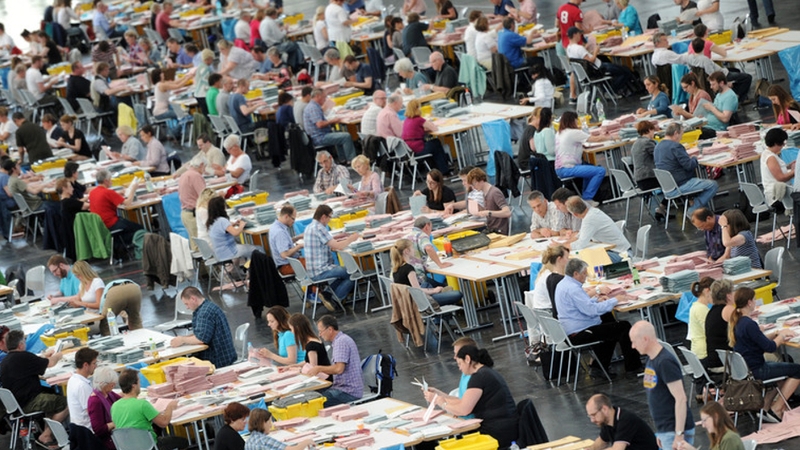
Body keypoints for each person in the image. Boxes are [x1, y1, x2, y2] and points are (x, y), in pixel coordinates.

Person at [555, 258, 641, 375]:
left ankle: (599, 365)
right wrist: (615, 300)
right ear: (575, 274)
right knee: (623, 327)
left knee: (608, 320)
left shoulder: (564, 284)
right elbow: (591, 311)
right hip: (579, 332)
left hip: (571, 328)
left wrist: (596, 299)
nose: (586, 276)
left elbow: (581, 306)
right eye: (584, 273)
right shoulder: (573, 289)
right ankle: (633, 367)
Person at [423, 346, 519, 448]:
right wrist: (438, 396)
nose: (459, 368)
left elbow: (464, 409)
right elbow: (464, 402)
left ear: (467, 359)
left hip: (496, 431)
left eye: (460, 363)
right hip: (506, 426)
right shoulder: (486, 372)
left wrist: (440, 402)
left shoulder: (478, 377)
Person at [729, 286, 800, 421]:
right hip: (757, 369)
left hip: (748, 368)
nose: (755, 302)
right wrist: (783, 335)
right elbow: (770, 347)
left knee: (782, 369)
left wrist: (774, 333)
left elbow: (759, 342)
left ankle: (765, 407)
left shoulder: (739, 322)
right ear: (749, 302)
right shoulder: (749, 324)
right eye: (754, 300)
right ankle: (777, 408)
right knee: (797, 370)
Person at [630, 321, 695, 450]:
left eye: (634, 341)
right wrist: (660, 431)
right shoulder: (651, 359)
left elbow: (681, 398)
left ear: (645, 339)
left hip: (674, 430)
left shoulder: (665, 362)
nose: (633, 346)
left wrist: (679, 434)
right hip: (666, 430)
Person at [0, 330, 67, 446]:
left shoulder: (6, 360)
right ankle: (46, 435)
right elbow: (50, 363)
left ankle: (50, 436)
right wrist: (58, 355)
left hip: (16, 403)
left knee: (50, 398)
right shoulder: (24, 357)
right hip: (29, 403)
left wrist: (44, 356)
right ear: (20, 345)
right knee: (66, 402)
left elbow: (33, 362)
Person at [112, 368, 188, 450]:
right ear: (134, 386)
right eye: (139, 382)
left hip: (128, 447)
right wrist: (170, 407)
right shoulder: (142, 404)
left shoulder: (114, 406)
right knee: (183, 442)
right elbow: (164, 422)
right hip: (149, 446)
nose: (140, 385)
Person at [654, 122, 718, 214]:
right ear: (676, 133)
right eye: (681, 134)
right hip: (681, 184)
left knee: (701, 183)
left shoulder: (658, 146)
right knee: (712, 185)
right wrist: (695, 158)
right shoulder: (675, 146)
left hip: (667, 186)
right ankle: (693, 209)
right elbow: (689, 166)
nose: (681, 138)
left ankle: (703, 213)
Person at [170, 287, 237, 368]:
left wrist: (182, 340)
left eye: (186, 304)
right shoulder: (208, 306)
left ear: (193, 299)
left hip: (217, 359)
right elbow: (201, 333)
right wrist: (183, 338)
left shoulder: (204, 313)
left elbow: (201, 339)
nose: (187, 307)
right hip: (225, 354)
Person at [305, 205, 359, 303]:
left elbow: (328, 240)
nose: (330, 220)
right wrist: (351, 238)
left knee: (344, 274)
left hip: (313, 270)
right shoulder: (319, 228)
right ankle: (334, 299)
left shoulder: (310, 227)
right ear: (323, 217)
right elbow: (338, 246)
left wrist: (340, 237)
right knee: (352, 272)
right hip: (321, 270)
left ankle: (327, 294)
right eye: (329, 217)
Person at [554, 111, 611, 201]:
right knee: (600, 171)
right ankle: (587, 198)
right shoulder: (573, 132)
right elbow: (596, 139)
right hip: (568, 168)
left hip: (560, 168)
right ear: (573, 121)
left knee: (589, 170)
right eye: (577, 120)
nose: (578, 122)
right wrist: (611, 137)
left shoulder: (559, 133)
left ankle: (586, 196)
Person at [307, 315, 364, 405]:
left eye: (321, 331)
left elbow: (339, 369)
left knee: (314, 403)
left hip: (348, 392)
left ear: (330, 329)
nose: (319, 335)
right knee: (315, 397)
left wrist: (319, 368)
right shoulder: (341, 340)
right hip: (344, 389)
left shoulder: (341, 342)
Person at [392, 238, 463, 306]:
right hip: (417, 301)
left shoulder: (396, 268)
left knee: (426, 283)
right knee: (458, 294)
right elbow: (417, 290)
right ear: (406, 251)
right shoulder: (409, 268)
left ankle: (440, 294)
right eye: (412, 248)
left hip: (406, 300)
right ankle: (439, 297)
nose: (414, 250)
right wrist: (434, 290)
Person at [566, 27, 635, 95]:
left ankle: (611, 89)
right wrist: (596, 51)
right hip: (598, 69)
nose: (580, 36)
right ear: (575, 35)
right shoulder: (579, 48)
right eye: (579, 34)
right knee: (625, 71)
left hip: (588, 72)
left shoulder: (569, 49)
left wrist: (587, 50)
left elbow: (582, 58)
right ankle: (612, 90)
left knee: (617, 68)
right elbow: (590, 61)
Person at [586, 393, 658, 450]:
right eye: (590, 416)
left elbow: (617, 449)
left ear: (604, 409)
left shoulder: (626, 420)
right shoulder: (607, 421)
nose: (592, 420)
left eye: (593, 415)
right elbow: (601, 442)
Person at [566, 196, 631, 259]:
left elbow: (580, 244)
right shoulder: (592, 212)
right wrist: (564, 243)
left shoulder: (589, 219)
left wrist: (563, 247)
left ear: (575, 214)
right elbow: (580, 235)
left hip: (621, 253)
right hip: (617, 250)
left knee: (586, 258)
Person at [89, 168, 141, 245]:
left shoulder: (93, 192)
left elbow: (105, 198)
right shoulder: (108, 192)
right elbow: (127, 203)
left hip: (100, 225)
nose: (112, 181)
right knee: (139, 229)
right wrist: (133, 189)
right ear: (106, 181)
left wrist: (118, 193)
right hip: (111, 223)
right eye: (110, 179)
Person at [303, 88, 357, 163]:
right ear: (318, 96)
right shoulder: (313, 108)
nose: (325, 100)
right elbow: (320, 124)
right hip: (320, 137)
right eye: (324, 97)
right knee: (346, 136)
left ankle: (343, 159)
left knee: (339, 133)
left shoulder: (313, 106)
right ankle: (352, 160)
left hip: (318, 135)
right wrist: (332, 121)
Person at [206, 196, 261, 266]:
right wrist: (241, 225)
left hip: (219, 253)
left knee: (245, 247)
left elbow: (223, 229)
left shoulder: (211, 222)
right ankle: (253, 272)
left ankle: (249, 271)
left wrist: (233, 224)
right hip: (230, 251)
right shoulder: (222, 220)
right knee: (257, 249)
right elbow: (236, 233)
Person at [402, 99, 451, 175]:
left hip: (410, 150)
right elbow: (434, 128)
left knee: (433, 144)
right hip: (418, 149)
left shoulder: (407, 120)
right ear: (417, 108)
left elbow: (415, 131)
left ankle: (440, 169)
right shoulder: (419, 119)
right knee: (436, 143)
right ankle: (444, 170)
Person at [680, 402, 746, 450]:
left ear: (716, 416)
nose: (703, 425)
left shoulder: (729, 439)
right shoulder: (719, 437)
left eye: (705, 420)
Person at [467, 168, 512, 234]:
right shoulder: (484, 193)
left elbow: (507, 213)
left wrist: (489, 213)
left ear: (481, 180)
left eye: (474, 183)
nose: (474, 187)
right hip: (491, 228)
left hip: (498, 230)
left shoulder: (494, 192)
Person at [760, 128, 794, 213]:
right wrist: (795, 171)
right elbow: (781, 178)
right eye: (782, 143)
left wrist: (788, 166)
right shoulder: (771, 158)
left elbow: (775, 170)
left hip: (777, 194)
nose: (783, 146)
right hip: (779, 197)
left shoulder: (767, 153)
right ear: (776, 143)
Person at [528, 245, 569, 317]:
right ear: (559, 259)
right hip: (549, 313)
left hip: (542, 314)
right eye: (567, 258)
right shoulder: (553, 278)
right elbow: (568, 298)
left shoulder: (545, 273)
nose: (568, 260)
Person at [246, 408, 314, 450]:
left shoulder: (248, 441)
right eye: (269, 421)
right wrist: (306, 441)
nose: (271, 425)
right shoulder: (265, 440)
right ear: (263, 423)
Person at [87, 367, 121, 450]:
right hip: (108, 441)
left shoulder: (108, 393)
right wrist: (115, 423)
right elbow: (98, 429)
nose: (113, 386)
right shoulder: (95, 401)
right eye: (112, 384)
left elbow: (121, 401)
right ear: (103, 384)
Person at [67, 347, 99, 431]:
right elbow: (92, 412)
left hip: (79, 429)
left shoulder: (72, 379)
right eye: (94, 363)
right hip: (88, 431)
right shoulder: (82, 386)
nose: (96, 366)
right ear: (85, 365)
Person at [698, 71, 739, 136]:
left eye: (713, 84)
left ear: (721, 83)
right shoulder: (719, 94)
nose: (711, 87)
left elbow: (725, 118)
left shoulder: (730, 96)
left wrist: (711, 108)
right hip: (708, 126)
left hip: (716, 129)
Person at [705, 279, 734, 370]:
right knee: (772, 357)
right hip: (727, 363)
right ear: (728, 296)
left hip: (714, 360)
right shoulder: (728, 310)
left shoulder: (711, 312)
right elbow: (746, 331)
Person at [178, 158, 206, 248]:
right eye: (204, 167)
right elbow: (205, 195)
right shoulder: (196, 176)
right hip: (194, 214)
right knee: (201, 246)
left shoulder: (184, 175)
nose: (204, 170)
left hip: (185, 213)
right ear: (201, 165)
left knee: (195, 244)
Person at [269, 204, 305, 276]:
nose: (294, 221)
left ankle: (314, 286)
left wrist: (298, 237)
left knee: (313, 262)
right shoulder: (280, 232)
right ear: (286, 216)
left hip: (288, 263)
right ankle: (314, 286)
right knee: (315, 264)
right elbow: (284, 254)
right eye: (293, 219)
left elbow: (283, 242)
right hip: (286, 266)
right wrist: (299, 246)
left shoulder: (276, 226)